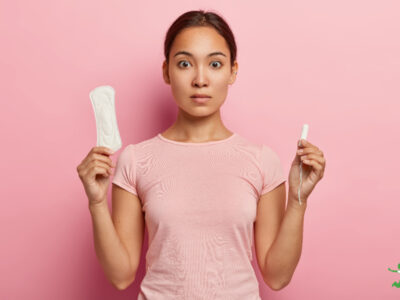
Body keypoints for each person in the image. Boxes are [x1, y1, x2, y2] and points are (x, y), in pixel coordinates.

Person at [76, 9, 326, 299]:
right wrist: (96, 203)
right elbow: (120, 277)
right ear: (166, 71)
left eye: (215, 64)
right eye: (184, 63)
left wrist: (298, 200)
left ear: (232, 71)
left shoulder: (261, 161)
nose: (200, 79)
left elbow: (277, 276)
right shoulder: (135, 160)